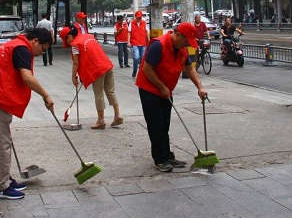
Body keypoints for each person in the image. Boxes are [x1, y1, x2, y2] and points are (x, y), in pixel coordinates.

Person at [0, 28, 54, 200]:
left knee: (4, 140)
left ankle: (5, 179)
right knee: (2, 143)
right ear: (35, 41)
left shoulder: (16, 45)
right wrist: (46, 95)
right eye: (43, 48)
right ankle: (0, 187)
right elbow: (27, 77)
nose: (42, 53)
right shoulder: (22, 49)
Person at [135, 22, 208, 172]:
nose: (186, 44)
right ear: (178, 35)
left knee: (165, 123)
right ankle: (160, 159)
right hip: (149, 89)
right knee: (156, 125)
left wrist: (200, 87)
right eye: (186, 41)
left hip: (166, 90)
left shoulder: (182, 49)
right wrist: (161, 86)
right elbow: (147, 69)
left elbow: (189, 68)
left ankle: (167, 155)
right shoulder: (158, 45)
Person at [60, 26, 123, 129]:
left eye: (66, 40)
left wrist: (73, 76)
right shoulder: (88, 36)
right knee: (110, 91)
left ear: (69, 36)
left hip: (97, 69)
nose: (67, 43)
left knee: (99, 95)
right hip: (107, 65)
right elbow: (90, 54)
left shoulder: (75, 45)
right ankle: (117, 115)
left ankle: (101, 120)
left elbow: (76, 63)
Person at [127, 10, 148, 78]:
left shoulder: (144, 23)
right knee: (136, 57)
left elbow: (146, 32)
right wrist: (128, 42)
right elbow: (129, 32)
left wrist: (148, 40)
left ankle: (141, 72)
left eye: (140, 17)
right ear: (135, 17)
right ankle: (135, 70)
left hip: (143, 43)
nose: (139, 18)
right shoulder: (132, 23)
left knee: (142, 58)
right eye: (138, 17)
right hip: (135, 43)